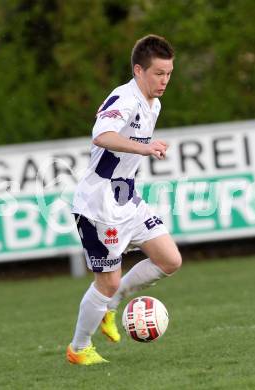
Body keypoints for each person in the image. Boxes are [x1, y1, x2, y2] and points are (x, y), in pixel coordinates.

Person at [67, 34, 182, 365]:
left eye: (169, 73)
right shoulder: (127, 97)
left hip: (128, 198)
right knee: (106, 281)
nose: (165, 80)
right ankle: (79, 348)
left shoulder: (152, 103)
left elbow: (110, 123)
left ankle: (112, 305)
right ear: (138, 70)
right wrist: (145, 147)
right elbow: (101, 135)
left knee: (169, 260)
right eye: (159, 73)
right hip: (99, 206)